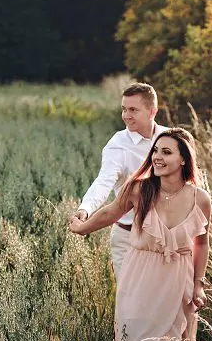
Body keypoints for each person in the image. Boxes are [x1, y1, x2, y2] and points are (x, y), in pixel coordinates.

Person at [69, 128, 211, 341]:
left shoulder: (200, 199)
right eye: (155, 151)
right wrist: (82, 227)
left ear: (183, 159)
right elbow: (110, 213)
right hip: (140, 275)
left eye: (166, 152)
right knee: (136, 338)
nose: (156, 157)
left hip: (179, 278)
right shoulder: (138, 189)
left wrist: (199, 285)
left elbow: (201, 243)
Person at [70, 83, 170, 283]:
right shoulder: (118, 145)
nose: (126, 115)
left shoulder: (171, 138)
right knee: (131, 304)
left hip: (166, 238)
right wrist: (86, 208)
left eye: (133, 110)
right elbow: (104, 181)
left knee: (162, 304)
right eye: (124, 109)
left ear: (153, 111)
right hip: (128, 238)